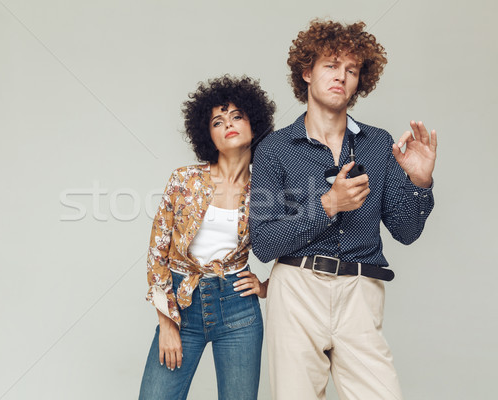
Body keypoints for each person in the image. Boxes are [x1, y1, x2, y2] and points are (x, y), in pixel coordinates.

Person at [249, 20, 437, 400]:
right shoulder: (274, 149)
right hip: (296, 291)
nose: (342, 77)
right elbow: (264, 243)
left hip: (361, 291)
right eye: (331, 66)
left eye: (351, 70)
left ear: (360, 81)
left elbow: (406, 231)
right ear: (307, 72)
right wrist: (329, 205)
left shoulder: (379, 143)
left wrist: (419, 183)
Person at [139, 75, 276, 400]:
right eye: (218, 120)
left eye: (237, 116)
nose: (228, 123)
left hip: (238, 309)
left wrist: (267, 286)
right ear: (208, 134)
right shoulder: (184, 179)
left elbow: (290, 242)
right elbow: (157, 254)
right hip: (182, 306)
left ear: (254, 124)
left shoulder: (265, 190)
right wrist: (168, 323)